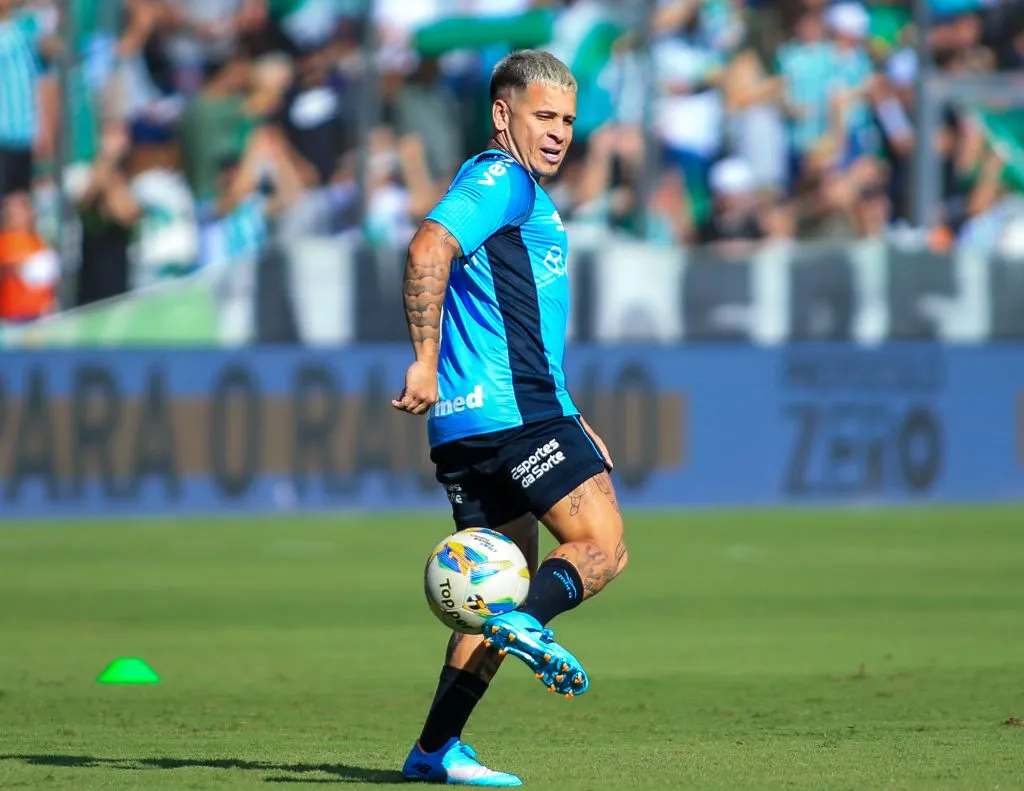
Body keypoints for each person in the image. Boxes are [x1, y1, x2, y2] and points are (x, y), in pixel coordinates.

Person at [391, 49, 629, 787]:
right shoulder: (503, 180)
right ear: (502, 115)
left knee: (501, 587)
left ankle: (435, 749)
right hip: (516, 414)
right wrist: (423, 358)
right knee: (601, 546)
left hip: (470, 426)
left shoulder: (506, 187)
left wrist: (570, 411)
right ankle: (527, 622)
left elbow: (512, 323)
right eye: (543, 116)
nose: (558, 133)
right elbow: (428, 246)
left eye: (567, 120)